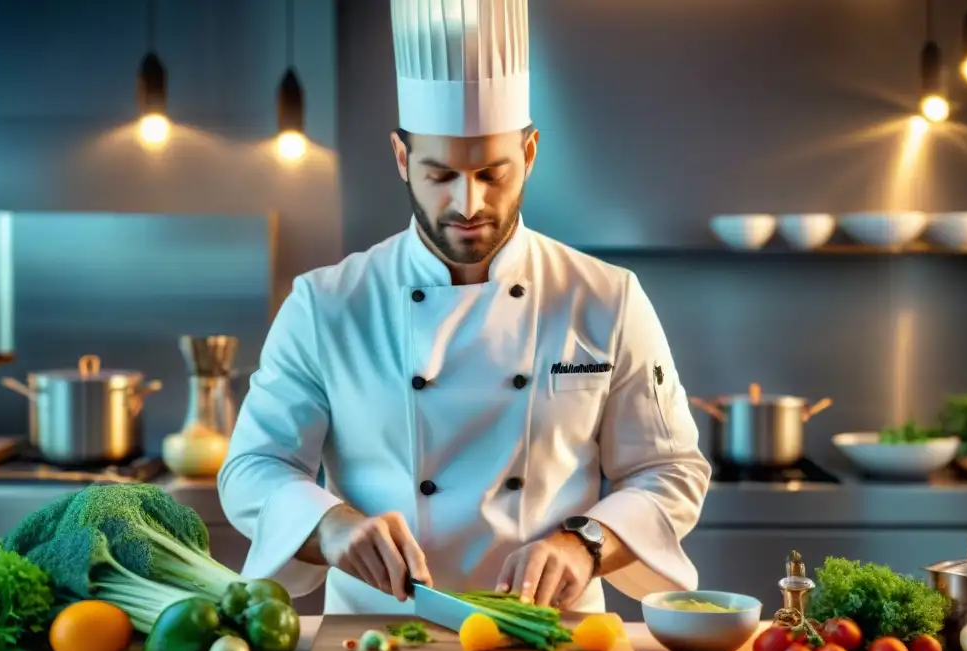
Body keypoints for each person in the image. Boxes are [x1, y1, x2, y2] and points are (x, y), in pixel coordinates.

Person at [218, 0, 711, 615]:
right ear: (402, 159)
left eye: (492, 172)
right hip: (379, 635)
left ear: (529, 153)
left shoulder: (607, 297)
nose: (468, 202)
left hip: (554, 637)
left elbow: (671, 471)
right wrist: (332, 527)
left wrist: (584, 543)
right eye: (440, 174)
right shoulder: (326, 305)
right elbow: (253, 468)